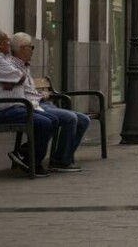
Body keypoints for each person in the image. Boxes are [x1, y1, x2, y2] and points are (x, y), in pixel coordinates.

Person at [0, 28, 57, 177]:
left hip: (14, 107)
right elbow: (19, 76)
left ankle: (24, 153)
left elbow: (17, 76)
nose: (9, 45)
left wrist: (11, 81)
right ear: (0, 44)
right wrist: (13, 80)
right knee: (45, 123)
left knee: (52, 120)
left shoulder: (1, 58)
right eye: (7, 41)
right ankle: (32, 162)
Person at [10, 32, 90, 172]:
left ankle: (60, 157)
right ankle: (60, 161)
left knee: (83, 119)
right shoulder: (12, 66)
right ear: (22, 48)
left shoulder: (24, 65)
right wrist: (41, 96)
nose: (33, 50)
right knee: (70, 118)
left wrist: (41, 94)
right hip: (32, 105)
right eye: (31, 47)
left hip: (38, 102)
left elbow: (27, 90)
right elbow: (20, 93)